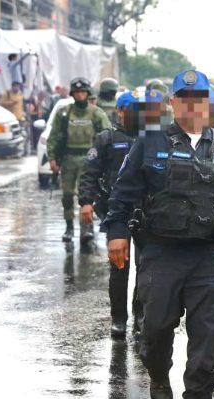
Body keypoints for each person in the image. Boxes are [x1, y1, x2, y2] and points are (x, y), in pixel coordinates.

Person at [102, 69, 214, 399]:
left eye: (199, 98)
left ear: (208, 103)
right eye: (184, 98)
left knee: (209, 333)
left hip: (210, 255)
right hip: (161, 253)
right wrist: (117, 234)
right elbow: (122, 194)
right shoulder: (150, 142)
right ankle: (158, 373)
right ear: (173, 103)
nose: (192, 105)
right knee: (154, 328)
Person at [78, 91, 152, 339]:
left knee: (146, 266)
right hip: (116, 211)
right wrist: (85, 202)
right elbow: (89, 172)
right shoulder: (106, 139)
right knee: (119, 267)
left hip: (146, 211)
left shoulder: (151, 138)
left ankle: (140, 314)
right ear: (120, 111)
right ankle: (118, 318)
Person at [47, 77, 111, 243]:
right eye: (77, 92)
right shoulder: (64, 113)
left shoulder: (96, 113)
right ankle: (69, 227)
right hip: (68, 158)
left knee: (87, 195)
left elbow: (107, 136)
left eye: (83, 92)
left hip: (89, 158)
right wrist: (52, 157)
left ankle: (86, 229)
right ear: (72, 94)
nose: (80, 95)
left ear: (88, 93)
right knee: (67, 195)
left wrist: (105, 160)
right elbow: (54, 136)